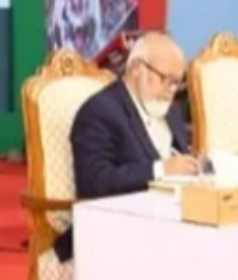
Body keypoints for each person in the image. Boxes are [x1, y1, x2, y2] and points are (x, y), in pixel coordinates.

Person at [53, 32, 197, 263]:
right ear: (137, 68)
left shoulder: (171, 110)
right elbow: (94, 182)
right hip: (115, 230)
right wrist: (161, 170)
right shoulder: (100, 112)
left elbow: (178, 157)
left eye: (177, 83)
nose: (171, 90)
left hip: (170, 221)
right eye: (165, 79)